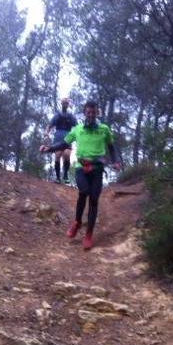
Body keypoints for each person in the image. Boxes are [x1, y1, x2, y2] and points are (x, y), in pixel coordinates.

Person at [40, 100, 121, 250]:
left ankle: (89, 234)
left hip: (97, 168)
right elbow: (64, 144)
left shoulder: (104, 129)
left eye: (93, 112)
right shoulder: (77, 129)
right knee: (84, 192)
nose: (91, 114)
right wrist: (49, 149)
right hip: (81, 168)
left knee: (94, 199)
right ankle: (77, 222)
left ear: (97, 113)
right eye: (88, 112)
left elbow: (111, 147)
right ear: (84, 113)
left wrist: (116, 161)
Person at [45, 97, 77, 184]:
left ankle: (65, 175)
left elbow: (77, 127)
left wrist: (78, 136)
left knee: (67, 154)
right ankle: (58, 177)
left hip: (68, 136)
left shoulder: (71, 116)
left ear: (68, 105)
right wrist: (46, 133)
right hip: (58, 136)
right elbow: (50, 125)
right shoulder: (57, 115)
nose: (65, 104)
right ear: (61, 104)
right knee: (58, 155)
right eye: (64, 103)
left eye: (67, 103)